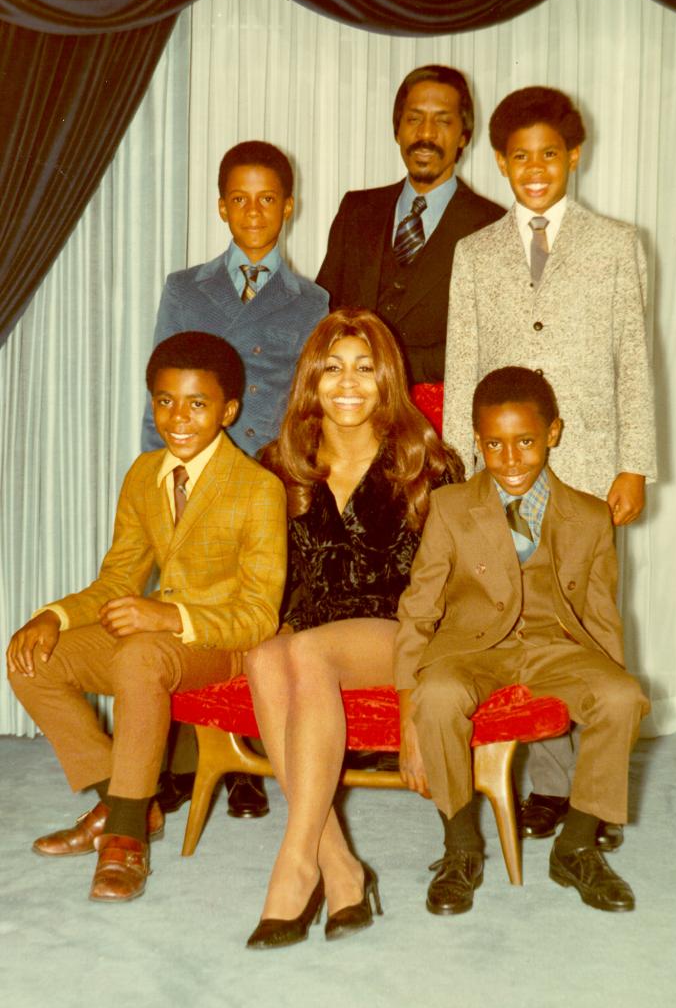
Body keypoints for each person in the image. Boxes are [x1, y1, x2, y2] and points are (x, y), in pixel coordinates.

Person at [441, 86, 656, 843]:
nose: (535, 169)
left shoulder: (615, 243)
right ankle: (548, 782)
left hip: (588, 466)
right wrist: (459, 470)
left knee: (587, 626)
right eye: (519, 157)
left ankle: (588, 798)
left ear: (574, 156)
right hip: (501, 468)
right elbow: (461, 362)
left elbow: (634, 356)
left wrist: (632, 462)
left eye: (549, 154)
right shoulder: (474, 253)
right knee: (516, 619)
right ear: (499, 162)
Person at [7, 332, 287, 902]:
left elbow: (258, 615)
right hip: (155, 649)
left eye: (197, 403)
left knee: (139, 654)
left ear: (229, 410)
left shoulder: (259, 489)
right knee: (33, 661)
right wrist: (54, 616)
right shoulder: (143, 474)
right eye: (164, 401)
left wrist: (169, 617)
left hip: (221, 644)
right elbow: (116, 581)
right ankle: (126, 801)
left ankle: (125, 840)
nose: (178, 418)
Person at [244, 309, 462, 949]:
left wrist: (418, 704)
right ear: (310, 382)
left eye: (365, 369)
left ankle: (295, 864)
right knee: (263, 654)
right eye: (332, 368)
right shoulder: (279, 466)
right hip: (315, 633)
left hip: (402, 634)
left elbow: (451, 595)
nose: (348, 383)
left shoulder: (428, 464)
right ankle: (341, 868)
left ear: (387, 379)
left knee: (307, 651)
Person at [396, 366, 649, 916]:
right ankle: (460, 847)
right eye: (494, 445)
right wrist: (405, 708)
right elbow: (418, 611)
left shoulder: (589, 516)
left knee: (623, 695)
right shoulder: (451, 508)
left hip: (553, 646)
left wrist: (606, 687)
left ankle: (578, 844)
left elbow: (602, 615)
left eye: (526, 442)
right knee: (436, 696)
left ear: (553, 434)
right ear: (477, 439)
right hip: (470, 649)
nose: (510, 460)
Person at [142, 141, 328, 818]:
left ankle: (245, 761)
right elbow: (156, 395)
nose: (254, 211)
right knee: (176, 608)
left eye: (267, 199)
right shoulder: (184, 288)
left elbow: (307, 407)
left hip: (264, 482)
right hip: (191, 474)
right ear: (222, 206)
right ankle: (172, 759)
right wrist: (152, 482)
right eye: (240, 199)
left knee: (252, 614)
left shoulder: (312, 301)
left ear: (288, 207)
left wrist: (299, 484)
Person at [316, 65, 504, 384]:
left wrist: (386, 366)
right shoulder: (355, 210)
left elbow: (489, 344)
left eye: (442, 121)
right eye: (414, 119)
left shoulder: (494, 226)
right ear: (398, 130)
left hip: (438, 420)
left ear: (463, 136)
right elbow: (323, 313)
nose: (426, 135)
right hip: (352, 413)